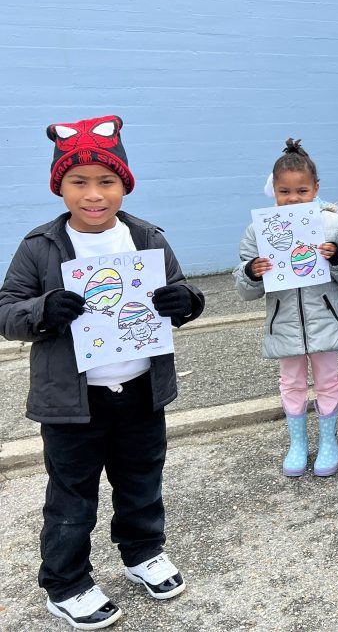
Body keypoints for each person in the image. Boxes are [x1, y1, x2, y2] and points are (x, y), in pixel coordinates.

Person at [0, 115, 205, 630]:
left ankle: (142, 553)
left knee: (141, 479)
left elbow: (185, 294)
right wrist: (43, 310)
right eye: (79, 182)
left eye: (106, 181)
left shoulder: (146, 238)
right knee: (72, 492)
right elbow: (7, 310)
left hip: (139, 389)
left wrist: (185, 302)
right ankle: (66, 582)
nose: (94, 195)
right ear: (60, 187)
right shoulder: (40, 246)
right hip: (72, 401)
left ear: (124, 184)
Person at [235, 139, 338, 478]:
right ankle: (297, 443)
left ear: (316, 189)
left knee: (328, 381)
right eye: (285, 192)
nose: (293, 199)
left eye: (302, 190)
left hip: (325, 320)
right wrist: (252, 273)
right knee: (290, 382)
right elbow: (243, 289)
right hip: (285, 324)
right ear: (274, 191)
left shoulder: (334, 225)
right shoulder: (259, 230)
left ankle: (328, 441)